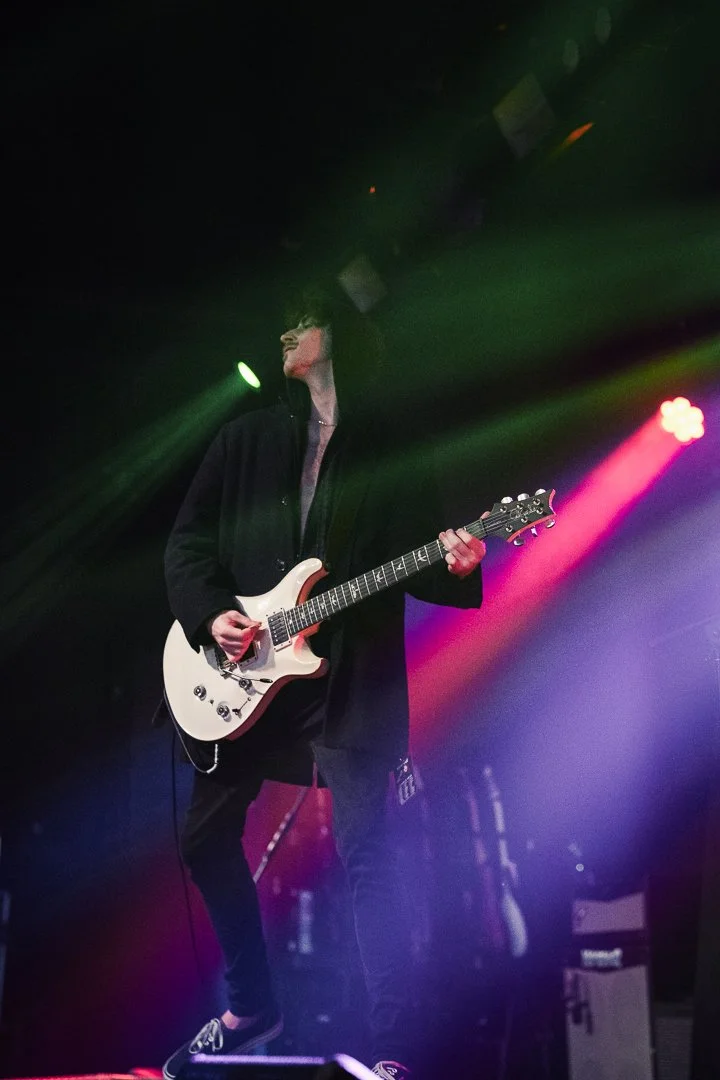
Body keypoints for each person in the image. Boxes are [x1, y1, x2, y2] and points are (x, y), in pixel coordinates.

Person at [160, 280, 486, 1080]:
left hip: (348, 681)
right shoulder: (247, 440)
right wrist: (213, 618)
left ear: (334, 334)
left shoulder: (393, 445)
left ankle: (397, 1052)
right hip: (250, 671)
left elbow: (427, 564)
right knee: (202, 837)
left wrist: (461, 561)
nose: (284, 334)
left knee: (369, 852)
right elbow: (186, 544)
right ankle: (251, 1006)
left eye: (299, 321)